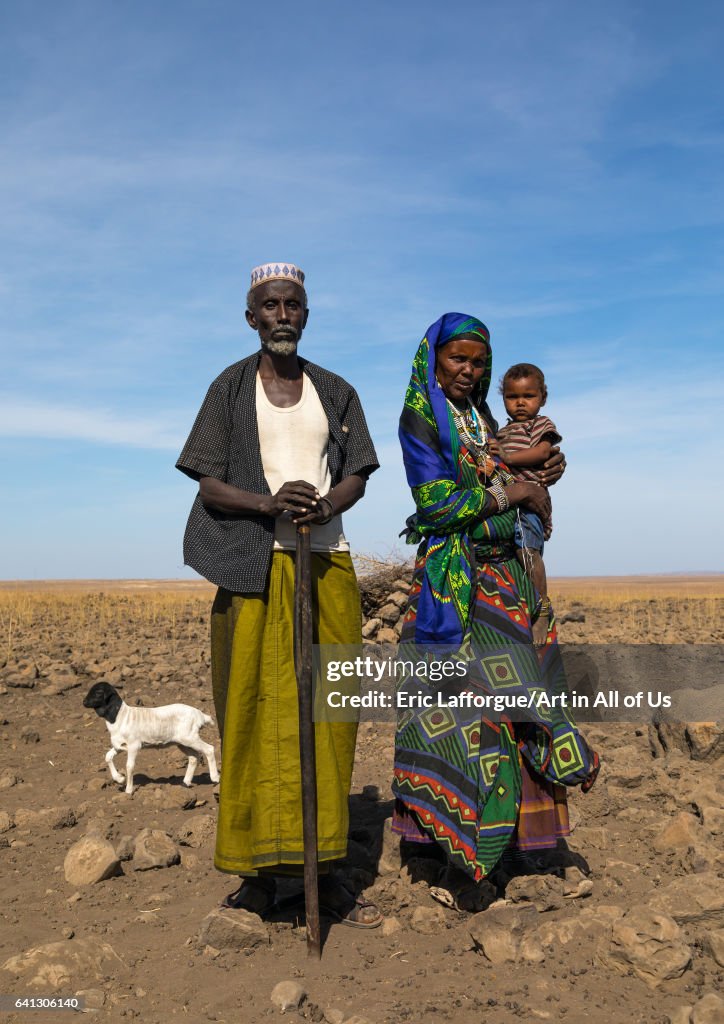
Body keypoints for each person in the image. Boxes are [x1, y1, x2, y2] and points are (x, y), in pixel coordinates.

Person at [176, 262, 382, 927]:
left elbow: (358, 474)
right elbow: (208, 481)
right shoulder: (229, 389)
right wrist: (269, 503)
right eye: (270, 305)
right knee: (251, 717)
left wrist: (323, 507)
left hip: (325, 570)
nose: (282, 314)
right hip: (251, 571)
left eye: (293, 304)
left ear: (306, 315)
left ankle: (322, 866)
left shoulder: (336, 391)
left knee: (330, 716)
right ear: (251, 317)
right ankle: (261, 876)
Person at [392, 312, 599, 909]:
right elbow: (434, 506)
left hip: (508, 580)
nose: (469, 370)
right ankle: (460, 856)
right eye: (458, 359)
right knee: (465, 718)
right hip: (454, 592)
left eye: (479, 362)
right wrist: (517, 491)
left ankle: (519, 846)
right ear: (433, 360)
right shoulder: (421, 419)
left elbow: (523, 470)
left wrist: (544, 471)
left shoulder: (488, 418)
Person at [497, 362, 562, 649]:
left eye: (529, 396)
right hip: (506, 505)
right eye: (512, 397)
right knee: (512, 559)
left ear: (542, 398)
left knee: (528, 552)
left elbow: (543, 452)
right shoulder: (503, 432)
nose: (520, 403)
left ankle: (542, 611)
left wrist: (507, 459)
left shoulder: (542, 425)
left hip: (529, 506)